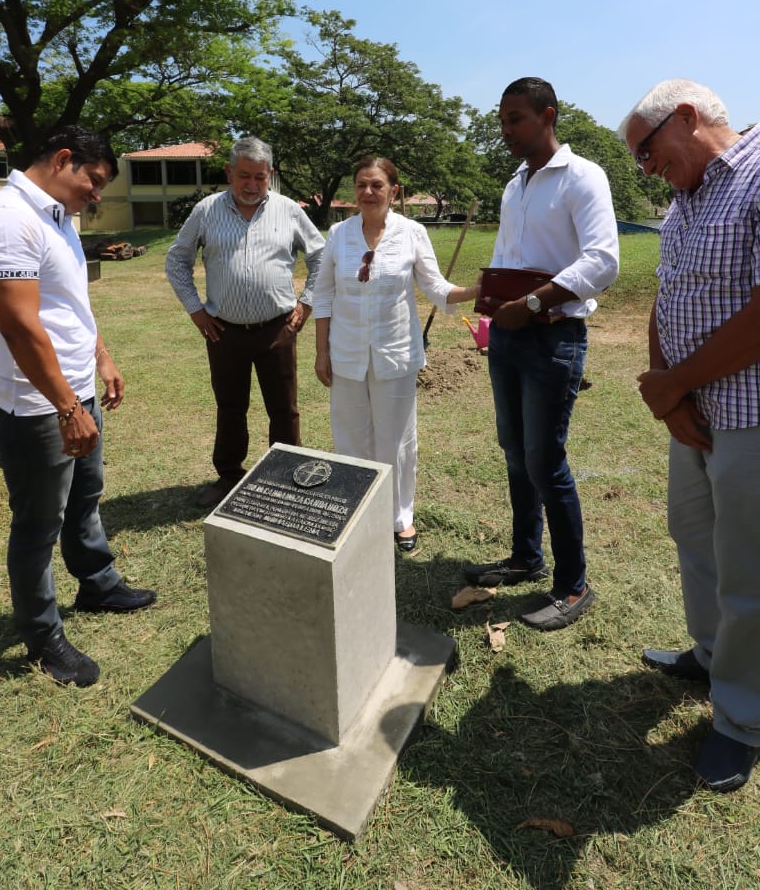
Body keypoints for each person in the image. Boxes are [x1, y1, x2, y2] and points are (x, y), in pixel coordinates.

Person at [0, 126, 156, 687]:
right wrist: (68, 408)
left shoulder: (54, 217)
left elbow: (67, 305)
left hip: (74, 391)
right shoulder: (7, 221)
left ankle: (96, 583)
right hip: (36, 405)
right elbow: (21, 327)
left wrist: (102, 358)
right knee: (38, 524)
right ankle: (44, 638)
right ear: (64, 160)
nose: (96, 194)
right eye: (93, 181)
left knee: (86, 496)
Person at [619, 80, 760, 793]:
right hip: (692, 413)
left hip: (748, 414)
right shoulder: (686, 197)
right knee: (693, 539)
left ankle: (740, 719)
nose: (645, 169)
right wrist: (659, 381)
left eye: (646, 152)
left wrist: (676, 384)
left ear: (685, 118)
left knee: (748, 575)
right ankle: (709, 658)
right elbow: (667, 291)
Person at [462, 78, 619, 629]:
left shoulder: (583, 177)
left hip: (553, 339)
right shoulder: (515, 185)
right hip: (506, 337)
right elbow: (513, 255)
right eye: (502, 121)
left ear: (548, 115)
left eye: (515, 120)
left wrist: (530, 302)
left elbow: (602, 262)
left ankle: (573, 586)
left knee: (545, 462)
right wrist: (494, 304)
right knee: (514, 451)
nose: (505, 131)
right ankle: (526, 556)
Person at [313, 155, 479, 552]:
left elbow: (436, 288)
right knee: (350, 437)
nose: (367, 192)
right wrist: (322, 352)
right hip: (347, 353)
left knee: (397, 441)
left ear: (394, 191)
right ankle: (354, 511)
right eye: (360, 185)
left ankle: (399, 517)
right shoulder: (338, 234)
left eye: (376, 185)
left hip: (396, 353)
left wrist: (476, 291)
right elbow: (323, 295)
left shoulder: (412, 233)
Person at [165, 136, 325, 507]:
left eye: (260, 177)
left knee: (284, 409)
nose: (252, 185)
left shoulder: (289, 210)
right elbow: (176, 261)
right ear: (228, 173)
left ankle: (288, 478)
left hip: (278, 328)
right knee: (230, 407)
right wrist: (195, 309)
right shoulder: (206, 211)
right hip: (224, 332)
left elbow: (321, 257)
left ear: (270, 174)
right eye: (244, 176)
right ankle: (229, 476)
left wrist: (306, 305)